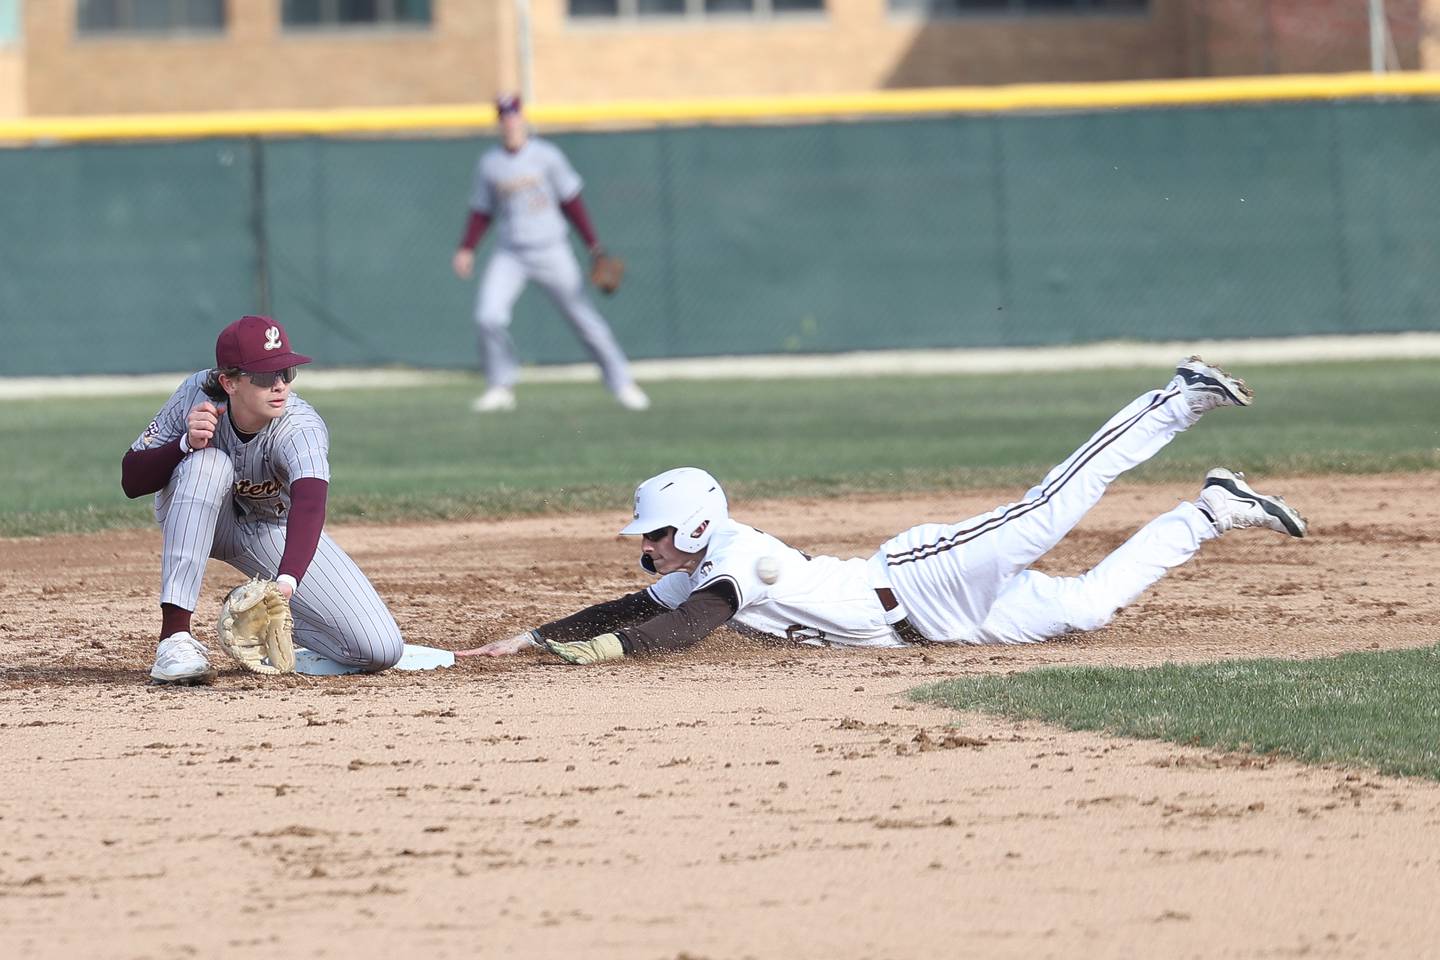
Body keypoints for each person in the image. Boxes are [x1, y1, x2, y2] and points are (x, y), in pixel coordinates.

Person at [460, 358, 1307, 664]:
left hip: (926, 580)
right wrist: (540, 637)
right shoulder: (699, 567)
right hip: (939, 634)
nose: (644, 549)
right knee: (1087, 607)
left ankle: (1177, 399)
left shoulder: (736, 562)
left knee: (1049, 510)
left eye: (651, 534)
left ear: (690, 529)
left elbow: (686, 629)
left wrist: (601, 655)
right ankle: (1212, 512)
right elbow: (635, 607)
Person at [122, 315, 405, 683]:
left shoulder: (300, 425)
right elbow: (132, 479)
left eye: (286, 372)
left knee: (379, 649)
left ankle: (249, 625)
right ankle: (174, 638)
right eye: (264, 376)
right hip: (195, 509)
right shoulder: (196, 395)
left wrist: (284, 586)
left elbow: (310, 503)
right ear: (229, 382)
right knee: (208, 464)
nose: (280, 385)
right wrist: (183, 445)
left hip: (271, 527)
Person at [452, 92, 650, 414]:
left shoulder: (547, 156)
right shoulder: (490, 164)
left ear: (523, 118)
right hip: (510, 253)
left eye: (514, 115)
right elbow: (482, 211)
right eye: (504, 117)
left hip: (551, 249)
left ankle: (622, 382)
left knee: (584, 318)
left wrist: (593, 245)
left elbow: (571, 202)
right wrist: (467, 247)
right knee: (487, 316)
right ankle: (501, 386)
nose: (510, 122)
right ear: (499, 123)